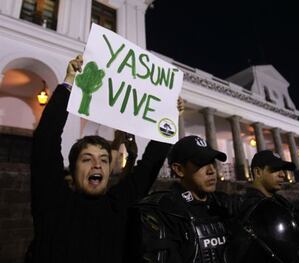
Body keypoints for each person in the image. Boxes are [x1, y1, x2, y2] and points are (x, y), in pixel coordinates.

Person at [30, 56, 181, 263]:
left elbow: (149, 165)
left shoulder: (120, 204)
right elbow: (45, 141)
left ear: (110, 170)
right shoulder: (54, 202)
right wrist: (68, 84)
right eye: (86, 159)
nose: (97, 164)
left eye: (103, 159)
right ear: (72, 170)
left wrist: (169, 118)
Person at [138, 135, 232, 263]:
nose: (211, 170)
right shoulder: (164, 211)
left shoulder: (224, 204)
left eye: (212, 162)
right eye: (201, 163)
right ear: (179, 170)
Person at [226, 150, 299, 263]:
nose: (282, 174)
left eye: (282, 170)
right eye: (275, 170)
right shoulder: (243, 205)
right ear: (258, 172)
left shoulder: (282, 202)